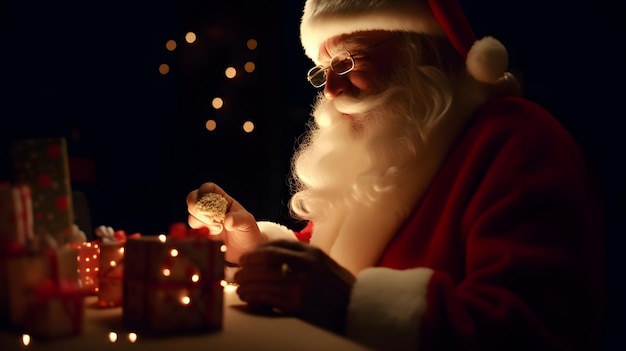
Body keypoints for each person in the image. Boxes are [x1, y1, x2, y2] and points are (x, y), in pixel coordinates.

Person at [186, 0, 607, 350]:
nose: (330, 89)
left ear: (418, 48)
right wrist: (254, 247)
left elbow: (534, 331)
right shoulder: (396, 147)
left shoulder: (518, 139)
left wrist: (354, 306)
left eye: (348, 61)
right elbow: (330, 266)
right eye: (323, 69)